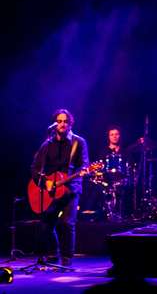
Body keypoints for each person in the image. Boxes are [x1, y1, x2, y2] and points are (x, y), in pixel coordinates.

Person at [30, 109, 89, 267]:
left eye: (65, 121)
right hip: (51, 190)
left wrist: (83, 172)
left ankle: (67, 259)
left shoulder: (79, 142)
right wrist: (45, 182)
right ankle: (53, 253)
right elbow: (35, 168)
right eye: (59, 121)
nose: (62, 124)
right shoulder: (47, 144)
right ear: (55, 124)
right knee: (46, 224)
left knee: (67, 223)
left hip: (71, 189)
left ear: (70, 124)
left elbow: (84, 165)